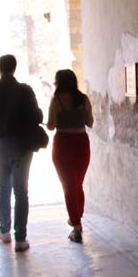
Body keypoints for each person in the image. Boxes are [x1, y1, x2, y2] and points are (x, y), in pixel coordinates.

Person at [0, 55, 42, 252]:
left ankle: (5, 230)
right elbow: (37, 116)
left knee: (3, 188)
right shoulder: (25, 90)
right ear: (14, 68)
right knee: (21, 191)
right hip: (22, 144)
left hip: (0, 145)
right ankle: (21, 239)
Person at [46, 69, 93, 243]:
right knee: (77, 184)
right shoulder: (84, 99)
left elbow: (51, 126)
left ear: (58, 82)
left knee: (68, 185)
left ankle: (76, 224)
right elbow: (90, 122)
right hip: (81, 143)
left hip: (63, 144)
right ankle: (76, 218)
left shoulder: (57, 101)